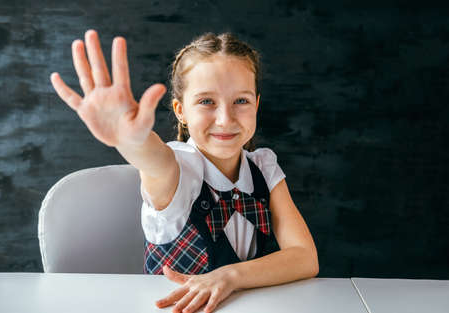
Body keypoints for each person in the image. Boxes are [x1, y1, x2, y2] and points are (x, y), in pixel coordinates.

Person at [50, 29, 319, 313]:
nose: (225, 119)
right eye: (206, 101)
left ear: (257, 104)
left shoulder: (264, 167)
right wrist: (130, 139)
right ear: (180, 110)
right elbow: (154, 160)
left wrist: (230, 276)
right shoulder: (179, 168)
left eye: (241, 101)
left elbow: (305, 257)